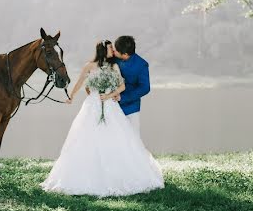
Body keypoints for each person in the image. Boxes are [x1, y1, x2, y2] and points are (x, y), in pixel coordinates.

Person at [41, 40, 163, 197]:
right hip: (91, 105)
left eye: (113, 48)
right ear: (102, 50)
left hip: (109, 105)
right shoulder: (89, 66)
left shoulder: (114, 66)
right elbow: (79, 83)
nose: (112, 50)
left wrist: (109, 95)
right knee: (86, 138)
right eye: (110, 48)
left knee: (116, 137)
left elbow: (122, 87)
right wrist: (71, 96)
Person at [111, 35, 150, 137]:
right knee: (113, 136)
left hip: (131, 107)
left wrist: (123, 98)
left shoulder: (142, 64)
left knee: (133, 138)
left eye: (116, 50)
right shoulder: (113, 58)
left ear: (125, 54)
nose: (114, 51)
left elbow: (145, 88)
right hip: (111, 104)